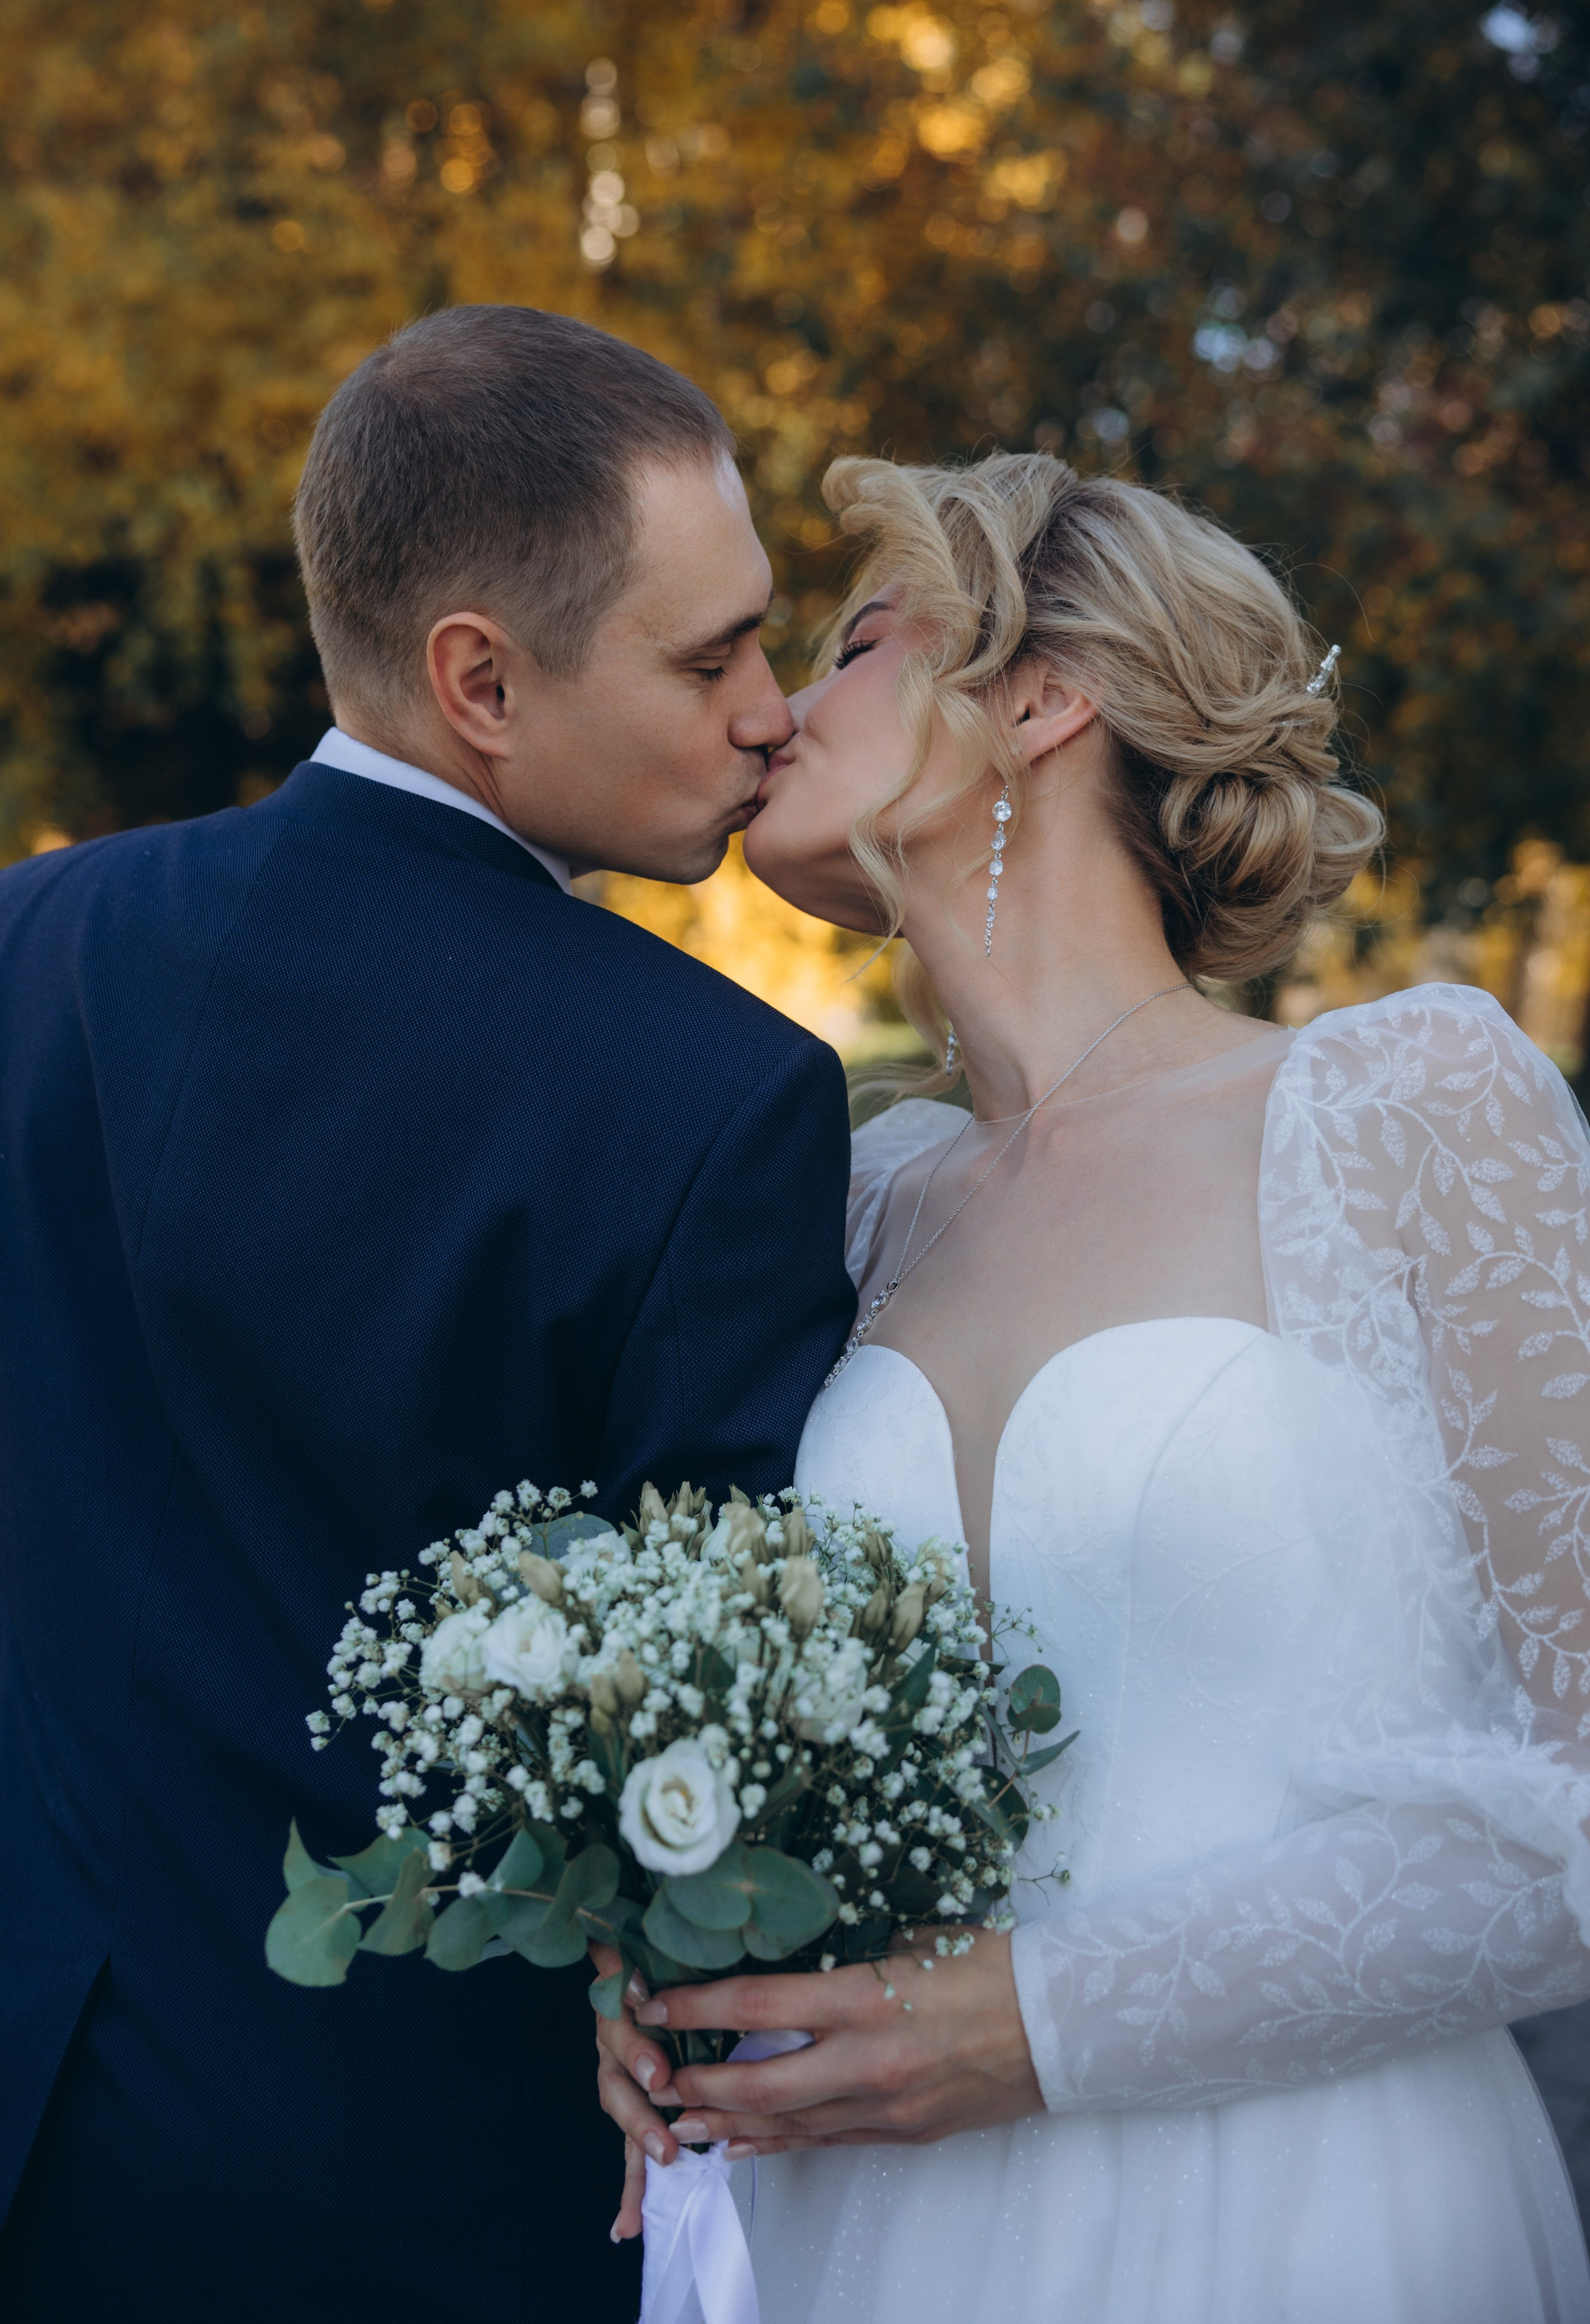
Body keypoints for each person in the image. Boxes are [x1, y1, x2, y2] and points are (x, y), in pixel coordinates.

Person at [597, 451, 1590, 2322]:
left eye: (857, 645)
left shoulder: (1407, 1110)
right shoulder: (855, 1200)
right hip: (862, 2234)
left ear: (1044, 697)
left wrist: (1042, 2025)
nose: (774, 710)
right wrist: (656, 1956)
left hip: (1306, 2213)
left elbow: (1581, 1806)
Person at [0, 307, 856, 2320]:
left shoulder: (32, 946)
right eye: (708, 655)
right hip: (422, 2200)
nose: (770, 714)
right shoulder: (713, 1101)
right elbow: (709, 1771)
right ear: (480, 676)